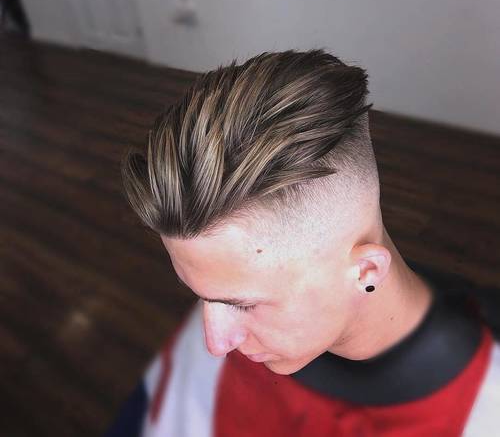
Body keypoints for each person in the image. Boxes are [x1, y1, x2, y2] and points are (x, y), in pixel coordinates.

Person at [115, 49, 500, 436]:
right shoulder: (221, 319)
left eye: (245, 305)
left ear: (366, 271)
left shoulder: (482, 416)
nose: (216, 342)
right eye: (202, 296)